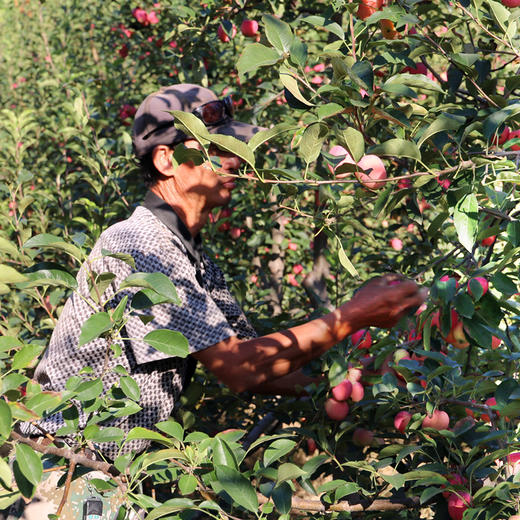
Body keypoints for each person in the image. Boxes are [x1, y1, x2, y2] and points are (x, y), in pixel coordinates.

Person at [19, 83, 427, 462]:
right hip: (62, 465)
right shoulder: (140, 244)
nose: (235, 159)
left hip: (105, 476)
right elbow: (238, 368)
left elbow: (258, 366)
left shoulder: (194, 257)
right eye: (216, 146)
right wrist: (352, 316)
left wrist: (347, 379)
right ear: (166, 160)